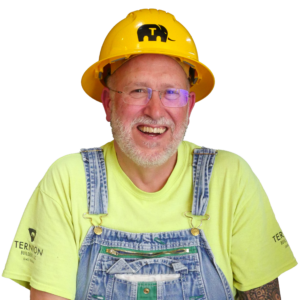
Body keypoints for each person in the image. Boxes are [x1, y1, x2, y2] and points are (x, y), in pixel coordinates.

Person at [1, 8, 298, 300]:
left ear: (189, 106)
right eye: (137, 91)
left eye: (171, 93)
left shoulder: (230, 178)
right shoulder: (68, 180)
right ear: (108, 102)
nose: (155, 111)